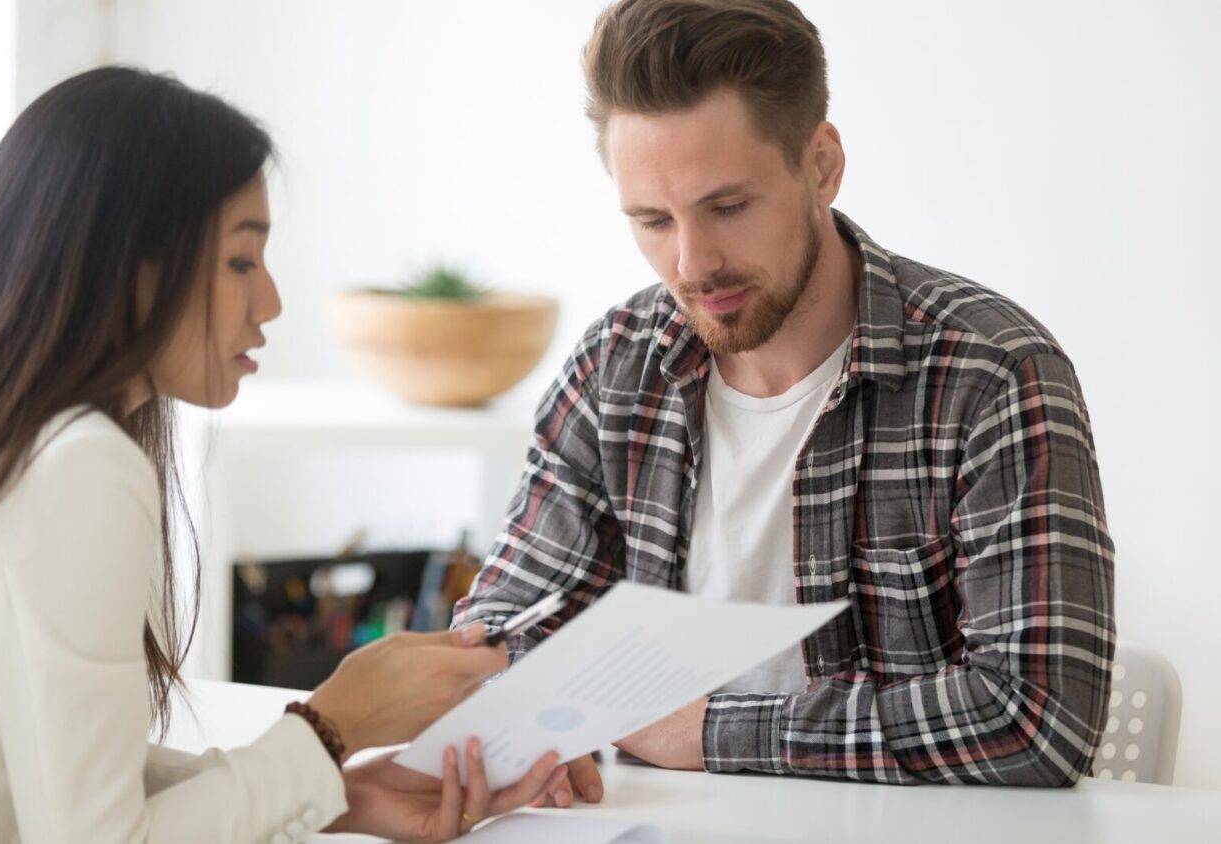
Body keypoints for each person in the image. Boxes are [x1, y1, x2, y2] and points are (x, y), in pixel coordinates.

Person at [0, 67, 562, 843]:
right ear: (131, 267)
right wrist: (331, 723)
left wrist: (333, 788)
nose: (269, 302)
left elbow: (41, 768)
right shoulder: (73, 466)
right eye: (240, 259)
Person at [454, 0, 1116, 804]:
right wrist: (533, 719)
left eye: (728, 206)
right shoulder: (614, 369)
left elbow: (1038, 717)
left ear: (822, 164)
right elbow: (495, 638)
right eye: (652, 220)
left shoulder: (991, 375)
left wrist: (704, 730)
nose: (693, 263)